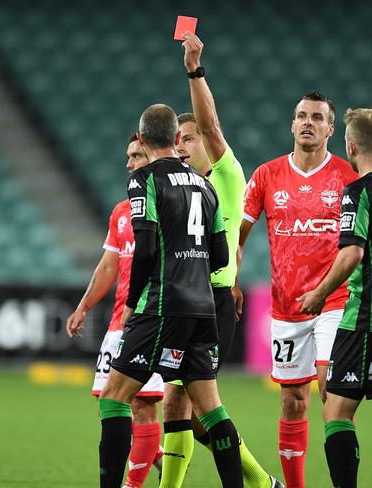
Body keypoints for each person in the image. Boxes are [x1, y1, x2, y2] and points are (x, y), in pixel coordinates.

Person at [98, 103, 243, 488]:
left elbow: (144, 248)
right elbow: (221, 256)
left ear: (142, 140)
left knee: (113, 398)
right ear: (177, 139)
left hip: (162, 305)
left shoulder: (143, 179)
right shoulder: (205, 184)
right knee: (211, 409)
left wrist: (131, 303)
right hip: (204, 308)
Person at [161, 33, 283, 488]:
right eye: (177, 141)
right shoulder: (181, 188)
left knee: (204, 407)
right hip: (187, 300)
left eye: (188, 139)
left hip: (210, 303)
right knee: (178, 407)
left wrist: (194, 70)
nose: (183, 146)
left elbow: (211, 127)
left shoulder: (228, 175)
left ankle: (254, 482)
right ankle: (258, 481)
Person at [237, 91, 358, 488]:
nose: (308, 122)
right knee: (292, 402)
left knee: (330, 390)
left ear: (330, 128)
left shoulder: (347, 177)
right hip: (286, 306)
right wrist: (232, 280)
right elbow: (238, 237)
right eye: (301, 116)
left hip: (334, 300)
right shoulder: (267, 175)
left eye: (317, 117)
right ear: (292, 125)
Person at [67, 134, 164, 488]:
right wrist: (83, 307)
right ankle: (158, 459)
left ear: (152, 155)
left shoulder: (167, 203)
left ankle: (133, 484)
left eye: (136, 155)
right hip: (119, 321)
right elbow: (108, 266)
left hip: (150, 318)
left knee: (143, 406)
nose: (129, 163)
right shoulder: (122, 212)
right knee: (111, 405)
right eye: (128, 156)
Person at [297, 108, 372, 488]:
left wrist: (320, 293)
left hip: (363, 319)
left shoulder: (358, 192)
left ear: (350, 145)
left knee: (338, 411)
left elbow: (352, 253)